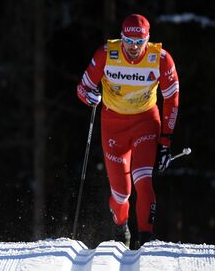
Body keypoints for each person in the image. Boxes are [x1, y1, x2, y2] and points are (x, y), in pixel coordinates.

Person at [76, 14, 179, 248]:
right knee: (121, 193)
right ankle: (121, 227)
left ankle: (146, 239)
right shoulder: (106, 54)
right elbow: (82, 88)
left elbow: (172, 99)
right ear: (121, 38)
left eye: (139, 42)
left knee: (143, 180)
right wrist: (89, 96)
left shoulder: (160, 59)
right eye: (128, 41)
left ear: (148, 40)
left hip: (145, 121)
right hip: (113, 125)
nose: (133, 48)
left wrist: (166, 142)